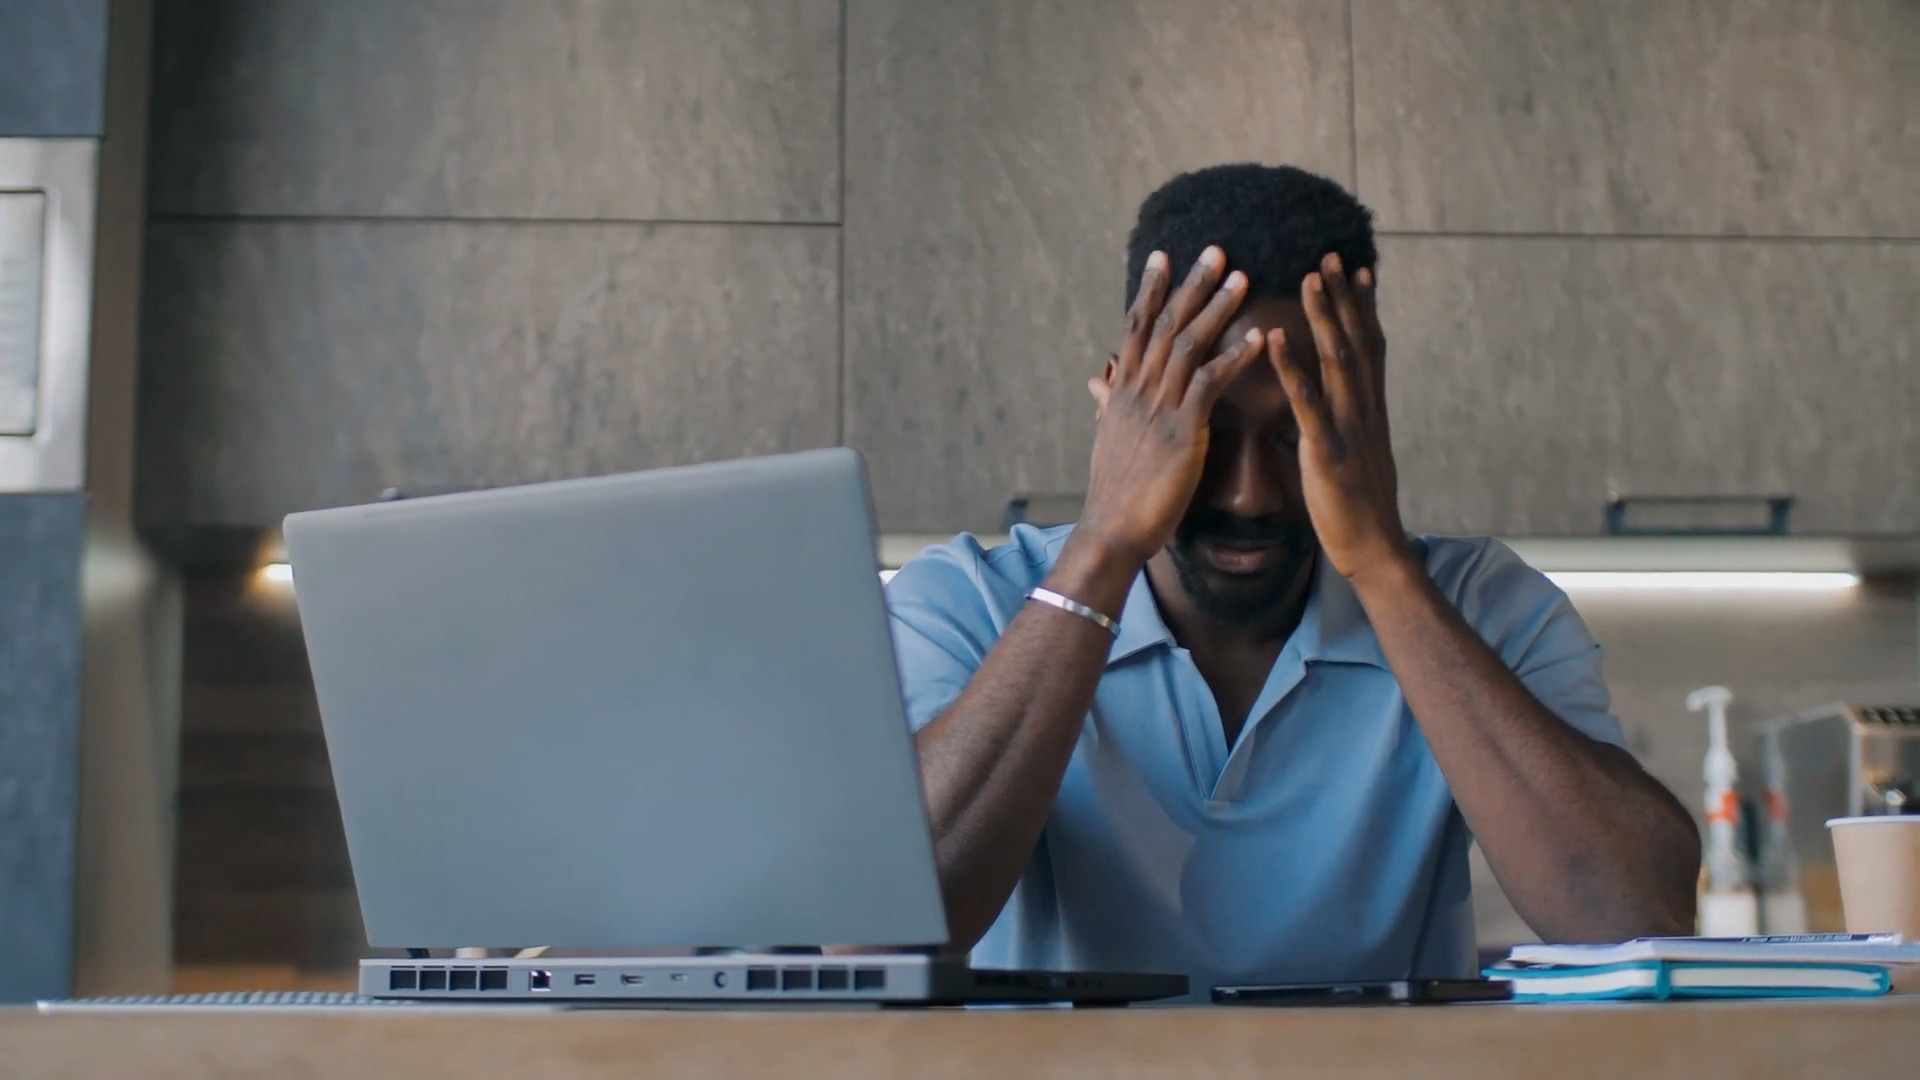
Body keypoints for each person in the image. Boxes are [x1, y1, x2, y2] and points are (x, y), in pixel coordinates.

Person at [884, 163, 1700, 995]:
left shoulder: (1484, 605)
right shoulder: (966, 604)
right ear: (1127, 405)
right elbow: (886, 929)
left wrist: (1381, 565)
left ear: (1365, 416)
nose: (1251, 494)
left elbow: (1638, 918)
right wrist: (1102, 548)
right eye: (1208, 428)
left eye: (1296, 434)